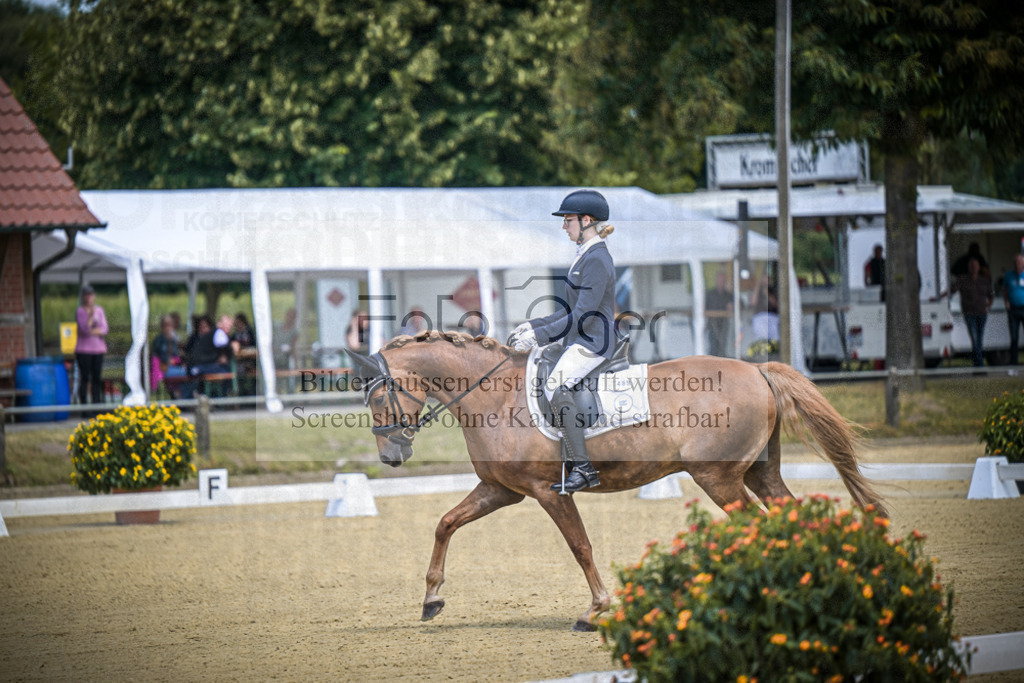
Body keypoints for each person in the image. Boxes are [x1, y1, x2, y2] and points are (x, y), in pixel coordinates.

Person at [509, 189, 616, 494]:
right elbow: (569, 310)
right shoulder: (585, 255)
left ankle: (582, 467)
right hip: (582, 335)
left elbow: (584, 313)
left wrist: (539, 337)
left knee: (555, 386)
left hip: (595, 340)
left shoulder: (596, 258)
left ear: (586, 220)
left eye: (568, 220)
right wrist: (532, 325)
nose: (564, 226)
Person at [951, 257, 994, 367]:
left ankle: (977, 364)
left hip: (982, 313)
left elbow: (991, 295)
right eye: (972, 266)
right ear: (969, 268)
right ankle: (979, 366)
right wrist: (938, 296)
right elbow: (952, 289)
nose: (974, 268)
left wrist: (988, 306)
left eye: (975, 266)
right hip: (969, 313)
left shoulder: (984, 281)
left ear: (979, 268)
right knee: (975, 340)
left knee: (979, 340)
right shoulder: (963, 279)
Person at [75, 285, 108, 405]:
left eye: (91, 295)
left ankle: (96, 404)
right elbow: (84, 329)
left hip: (98, 349)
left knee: (96, 378)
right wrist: (90, 316)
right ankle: (84, 406)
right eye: (86, 295)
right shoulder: (80, 311)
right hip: (84, 350)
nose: (89, 298)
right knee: (85, 378)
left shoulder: (99, 310)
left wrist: (92, 331)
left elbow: (104, 329)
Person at [151, 314, 184, 397]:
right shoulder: (159, 340)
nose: (168, 327)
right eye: (166, 325)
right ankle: (182, 398)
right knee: (188, 373)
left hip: (173, 367)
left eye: (170, 325)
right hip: (163, 369)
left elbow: (177, 356)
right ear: (162, 326)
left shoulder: (173, 339)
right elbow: (162, 358)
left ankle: (181, 398)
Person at [705, 269, 733, 357]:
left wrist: (733, 306)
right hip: (712, 322)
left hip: (724, 322)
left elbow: (740, 304)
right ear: (716, 281)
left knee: (723, 344)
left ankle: (722, 363)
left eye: (723, 280)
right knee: (713, 344)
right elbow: (704, 307)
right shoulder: (710, 294)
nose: (721, 282)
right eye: (720, 280)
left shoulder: (729, 295)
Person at [1003, 254, 1024, 365]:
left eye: (1020, 262)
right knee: (1014, 338)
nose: (1018, 264)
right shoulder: (1008, 275)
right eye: (1016, 262)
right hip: (1013, 310)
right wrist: (1006, 301)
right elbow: (1005, 290)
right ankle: (1014, 364)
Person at [231, 313, 258, 395]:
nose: (237, 326)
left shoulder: (250, 333)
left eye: (238, 323)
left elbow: (254, 345)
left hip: (251, 360)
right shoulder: (235, 335)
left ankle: (252, 392)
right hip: (239, 361)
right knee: (238, 370)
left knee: (252, 371)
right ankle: (241, 392)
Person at [749, 273, 779, 341]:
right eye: (764, 280)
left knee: (775, 340)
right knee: (762, 340)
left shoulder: (773, 290)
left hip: (773, 317)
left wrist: (767, 294)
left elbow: (776, 304)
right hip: (760, 317)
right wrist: (757, 287)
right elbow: (753, 302)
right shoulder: (756, 291)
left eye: (767, 280)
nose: (766, 282)